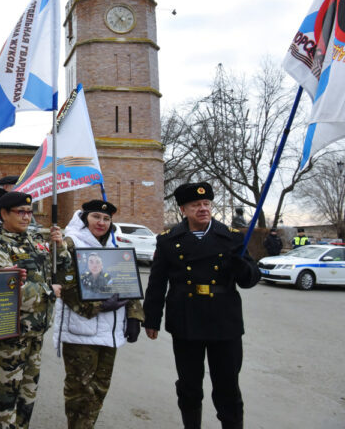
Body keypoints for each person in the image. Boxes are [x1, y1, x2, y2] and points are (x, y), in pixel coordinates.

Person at [143, 182, 260, 429]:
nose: (203, 209)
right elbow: (157, 282)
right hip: (186, 320)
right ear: (183, 209)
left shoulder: (231, 237)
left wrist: (243, 268)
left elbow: (251, 279)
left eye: (206, 204)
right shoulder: (167, 240)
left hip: (224, 322)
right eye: (196, 205)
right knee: (189, 386)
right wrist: (151, 319)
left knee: (227, 385)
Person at [53, 200, 144, 428]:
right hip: (81, 330)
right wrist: (99, 307)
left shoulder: (115, 245)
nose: (101, 223)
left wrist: (134, 316)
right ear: (85, 219)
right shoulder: (70, 244)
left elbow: (128, 282)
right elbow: (64, 283)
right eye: (96, 217)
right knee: (80, 390)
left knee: (100, 387)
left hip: (110, 333)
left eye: (106, 219)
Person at [0, 191, 70, 429]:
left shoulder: (32, 239)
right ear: (3, 214)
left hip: (35, 336)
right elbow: (7, 290)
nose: (26, 217)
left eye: (29, 212)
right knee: (5, 406)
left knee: (26, 402)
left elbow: (63, 271)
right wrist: (49, 292)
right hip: (9, 340)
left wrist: (59, 247)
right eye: (20, 212)